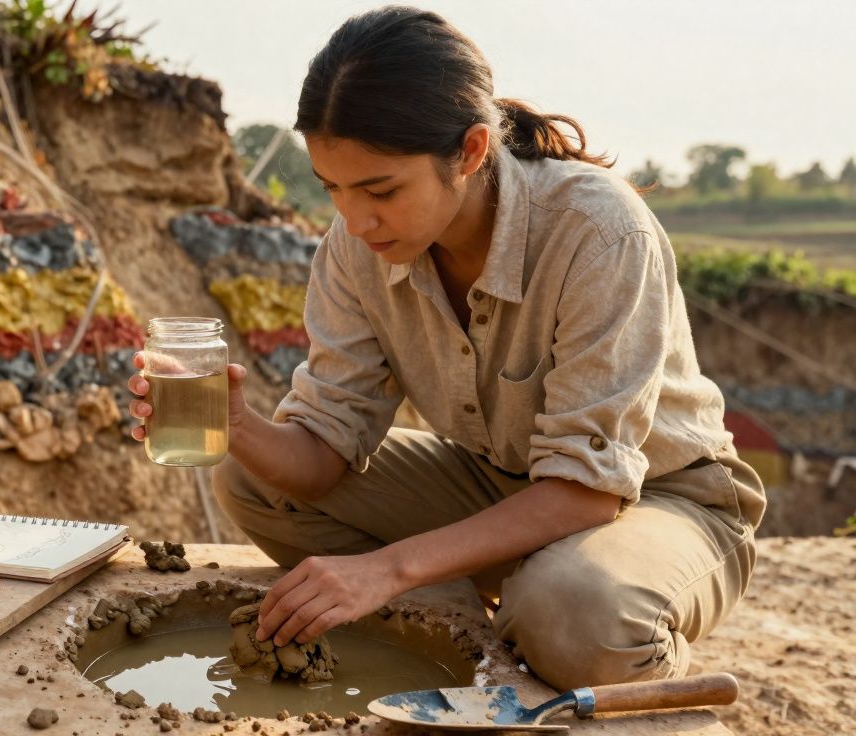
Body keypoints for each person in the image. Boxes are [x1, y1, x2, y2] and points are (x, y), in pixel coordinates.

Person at [126, 6, 764, 691]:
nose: (354, 219)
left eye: (380, 190)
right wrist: (238, 424)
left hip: (660, 500)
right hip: (503, 485)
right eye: (333, 188)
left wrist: (388, 569)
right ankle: (492, 614)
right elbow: (321, 456)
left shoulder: (599, 231)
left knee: (576, 615)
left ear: (471, 151)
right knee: (250, 478)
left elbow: (588, 492)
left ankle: (579, 622)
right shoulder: (357, 249)